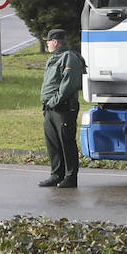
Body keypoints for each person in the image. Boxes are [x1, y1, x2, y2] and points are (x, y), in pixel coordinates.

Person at [39, 28, 86, 189]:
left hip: (63, 107)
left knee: (66, 143)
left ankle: (70, 177)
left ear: (55, 41)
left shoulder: (69, 58)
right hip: (50, 108)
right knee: (53, 143)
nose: (47, 43)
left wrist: (54, 101)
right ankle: (56, 174)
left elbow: (68, 85)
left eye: (48, 41)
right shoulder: (54, 59)